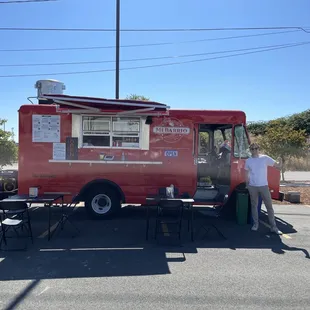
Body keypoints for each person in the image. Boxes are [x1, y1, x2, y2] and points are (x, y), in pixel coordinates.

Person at [244, 143, 283, 235]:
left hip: (264, 186)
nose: (254, 150)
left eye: (256, 148)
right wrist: (247, 184)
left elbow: (277, 166)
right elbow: (246, 173)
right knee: (254, 206)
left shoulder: (264, 158)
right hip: (253, 186)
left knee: (269, 207)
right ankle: (255, 224)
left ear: (259, 149)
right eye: (252, 149)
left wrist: (280, 161)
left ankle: (274, 227)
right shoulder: (248, 161)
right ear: (250, 150)